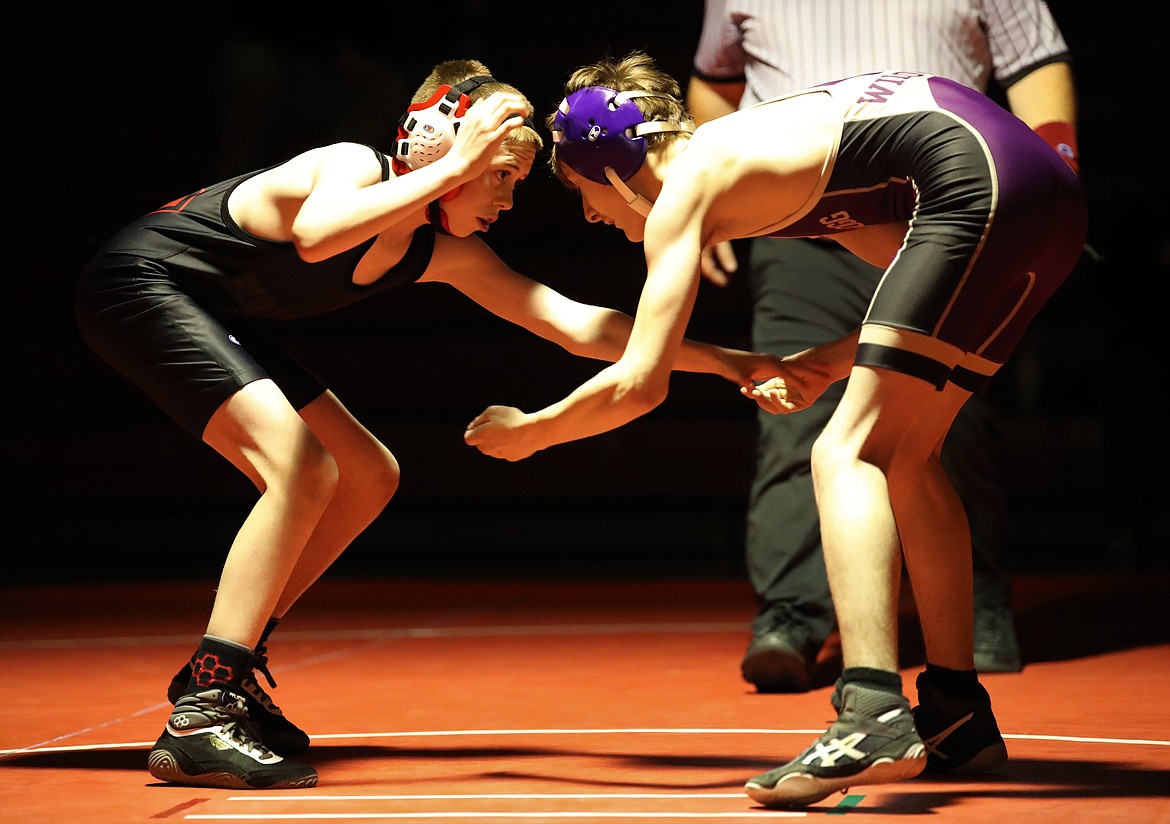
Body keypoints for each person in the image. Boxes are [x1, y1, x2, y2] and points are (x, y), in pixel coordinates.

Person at [75, 58, 783, 791]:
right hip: (141, 286)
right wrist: (455, 170)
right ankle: (204, 709)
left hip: (213, 313)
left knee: (369, 475)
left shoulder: (440, 250)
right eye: (499, 172)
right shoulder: (350, 166)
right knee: (301, 467)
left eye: (511, 179)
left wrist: (737, 363)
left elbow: (577, 326)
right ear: (445, 146)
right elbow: (318, 237)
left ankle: (229, 664)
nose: (508, 198)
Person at [464, 53, 1086, 806]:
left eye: (583, 191)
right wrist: (823, 362)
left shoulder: (692, 181)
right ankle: (956, 714)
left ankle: (873, 712)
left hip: (976, 177)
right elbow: (913, 287)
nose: (592, 216)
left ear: (617, 164)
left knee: (846, 449)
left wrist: (537, 431)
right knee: (908, 454)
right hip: (1041, 196)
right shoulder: (781, 161)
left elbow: (638, 383)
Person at [687, 0, 1082, 690]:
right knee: (799, 413)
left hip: (941, 202)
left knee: (929, 427)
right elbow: (712, 83)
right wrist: (718, 205)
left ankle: (946, 635)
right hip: (803, 216)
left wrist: (1059, 167)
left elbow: (1037, 65)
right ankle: (795, 615)